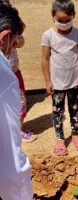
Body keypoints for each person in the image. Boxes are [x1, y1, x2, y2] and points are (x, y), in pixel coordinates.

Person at [42, 0, 78, 156]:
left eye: (67, 20)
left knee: (75, 109)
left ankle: (75, 135)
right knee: (57, 111)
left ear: (73, 16)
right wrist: (48, 81)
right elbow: (45, 59)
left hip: (75, 81)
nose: (63, 23)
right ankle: (60, 139)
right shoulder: (48, 35)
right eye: (60, 20)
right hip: (57, 83)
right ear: (53, 16)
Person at [0, 1, 34, 199]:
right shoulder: (4, 75)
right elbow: (10, 161)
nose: (12, 51)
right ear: (5, 38)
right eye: (13, 45)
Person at [9, 35, 37, 143]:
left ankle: (18, 131)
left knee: (20, 101)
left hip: (14, 72)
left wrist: (15, 41)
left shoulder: (12, 22)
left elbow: (21, 41)